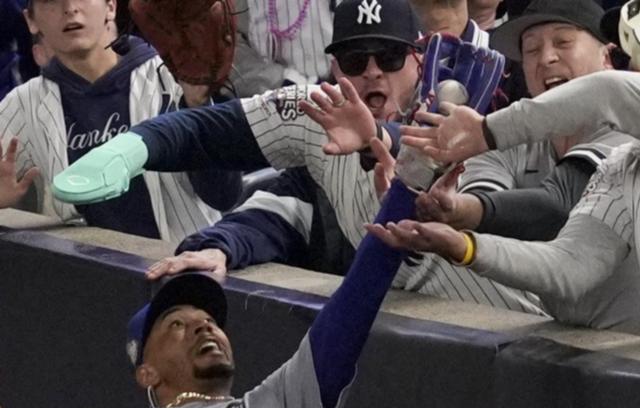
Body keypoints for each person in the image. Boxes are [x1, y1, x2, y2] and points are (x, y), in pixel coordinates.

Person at [0, 136, 428, 408]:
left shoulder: (283, 407)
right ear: (146, 372)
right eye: (177, 326)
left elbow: (352, 308)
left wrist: (413, 176)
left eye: (210, 320)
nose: (204, 326)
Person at [55, 0, 544, 315]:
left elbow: (515, 214)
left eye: (389, 59)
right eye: (356, 61)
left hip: (511, 323)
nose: (373, 73)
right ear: (335, 68)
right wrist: (136, 147)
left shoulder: (468, 118)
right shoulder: (321, 118)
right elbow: (222, 144)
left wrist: (388, 141)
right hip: (416, 338)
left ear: (418, 61)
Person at [390, 0, 640, 359]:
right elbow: (568, 265)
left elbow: (612, 94)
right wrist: (466, 247)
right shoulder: (628, 164)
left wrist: (487, 130)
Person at [0, 0, 241, 244]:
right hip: (90, 273)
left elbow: (224, 197)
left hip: (184, 266)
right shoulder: (22, 105)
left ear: (111, 7)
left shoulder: (173, 78)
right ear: (31, 20)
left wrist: (198, 105)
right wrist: (6, 205)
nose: (70, 8)